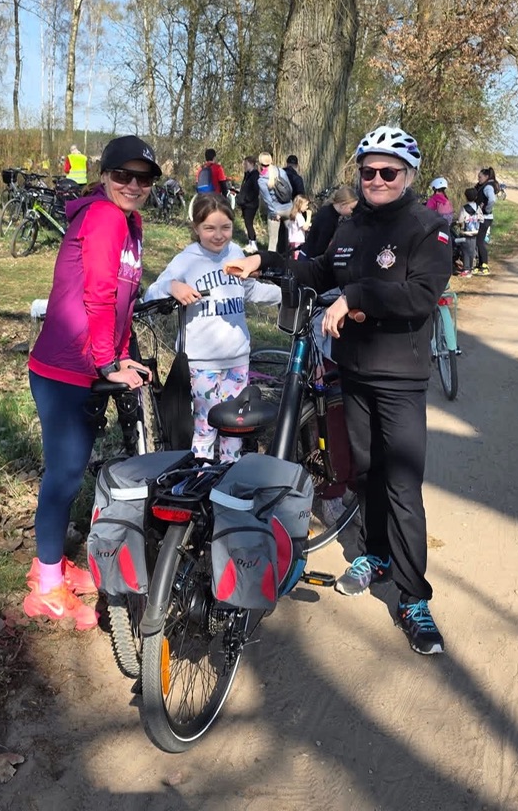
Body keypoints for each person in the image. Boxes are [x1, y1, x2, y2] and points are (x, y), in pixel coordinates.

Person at [224, 125, 452, 656]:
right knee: (365, 472)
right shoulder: (352, 227)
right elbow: (319, 267)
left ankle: (414, 598)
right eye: (369, 171)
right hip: (353, 373)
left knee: (401, 485)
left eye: (388, 171)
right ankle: (377, 554)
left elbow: (420, 296)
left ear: (408, 176)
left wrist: (355, 297)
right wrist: (266, 263)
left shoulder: (428, 228)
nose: (377, 179)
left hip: (399, 377)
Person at [25, 134, 160, 629]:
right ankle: (45, 589)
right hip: (65, 369)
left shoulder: (129, 223)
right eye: (122, 175)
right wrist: (107, 363)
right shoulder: (105, 217)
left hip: (86, 366)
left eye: (143, 178)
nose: (133, 185)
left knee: (70, 471)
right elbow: (99, 295)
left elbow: (124, 301)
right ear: (104, 176)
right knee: (63, 476)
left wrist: (120, 355)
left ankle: (52, 564)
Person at [143, 194, 281, 462]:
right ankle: (201, 475)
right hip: (201, 363)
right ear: (196, 228)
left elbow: (250, 290)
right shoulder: (186, 260)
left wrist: (284, 294)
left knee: (235, 427)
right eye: (209, 228)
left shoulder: (236, 253)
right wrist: (173, 287)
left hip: (237, 360)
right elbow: (152, 294)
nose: (218, 235)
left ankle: (230, 474)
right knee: (205, 427)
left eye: (225, 227)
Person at [299, 184, 357, 259]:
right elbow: (321, 245)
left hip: (308, 254)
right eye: (351, 208)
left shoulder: (328, 210)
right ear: (343, 205)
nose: (352, 212)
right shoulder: (329, 219)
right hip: (310, 258)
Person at [256, 152, 293, 255]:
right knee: (290, 239)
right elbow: (290, 189)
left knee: (273, 241)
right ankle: (289, 260)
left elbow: (267, 199)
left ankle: (271, 262)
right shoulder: (281, 171)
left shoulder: (261, 180)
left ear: (260, 163)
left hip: (276, 211)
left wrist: (273, 213)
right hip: (289, 208)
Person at [476, 167, 500, 276]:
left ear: (486, 177)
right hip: (484, 218)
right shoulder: (485, 186)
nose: (478, 179)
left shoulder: (488, 187)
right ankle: (480, 265)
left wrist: (487, 209)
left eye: (480, 177)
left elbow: (492, 200)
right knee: (479, 241)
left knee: (480, 242)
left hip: (485, 218)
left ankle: (485, 266)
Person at [456, 187, 484, 277]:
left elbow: (460, 220)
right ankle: (471, 268)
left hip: (466, 234)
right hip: (475, 233)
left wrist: (459, 224)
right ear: (476, 197)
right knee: (472, 251)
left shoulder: (464, 208)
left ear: (466, 197)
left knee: (465, 252)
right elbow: (482, 219)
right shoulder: (478, 207)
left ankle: (466, 269)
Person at [236, 155, 261, 250]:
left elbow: (255, 190)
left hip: (251, 204)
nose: (244, 166)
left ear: (251, 164)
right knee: (247, 223)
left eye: (246, 164)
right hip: (245, 203)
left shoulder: (255, 175)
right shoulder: (247, 174)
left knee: (249, 223)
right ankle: (250, 242)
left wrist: (247, 199)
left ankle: (253, 243)